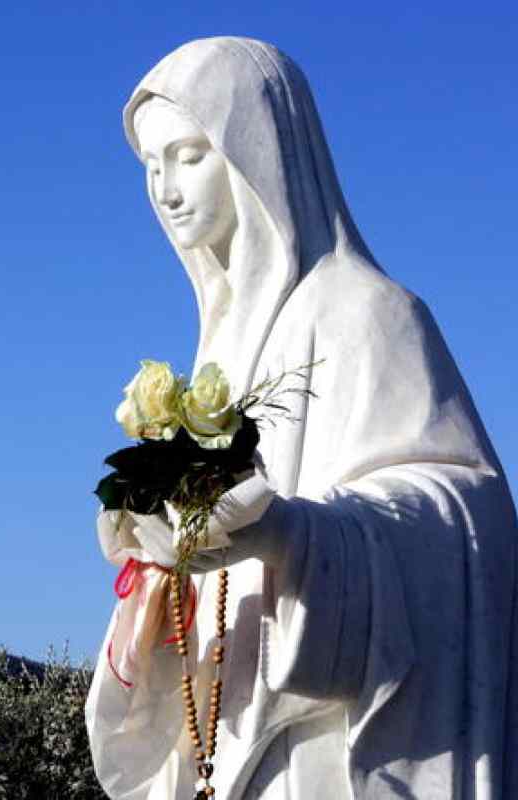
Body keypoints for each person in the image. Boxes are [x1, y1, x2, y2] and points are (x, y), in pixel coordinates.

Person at [85, 37, 518, 799]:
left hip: (326, 740)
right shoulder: (219, 353)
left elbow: (465, 517)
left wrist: (292, 535)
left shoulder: (369, 313)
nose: (165, 189)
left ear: (258, 154)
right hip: (227, 731)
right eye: (151, 167)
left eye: (188, 154)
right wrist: (159, 554)